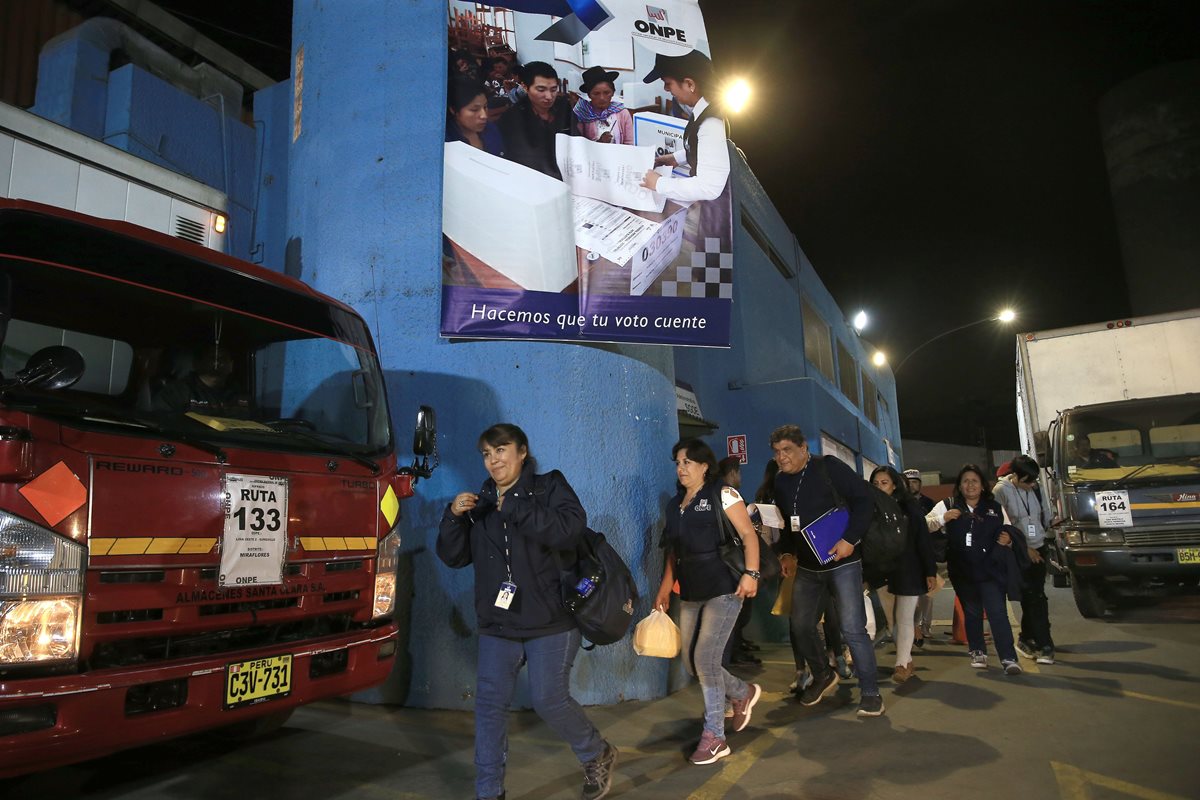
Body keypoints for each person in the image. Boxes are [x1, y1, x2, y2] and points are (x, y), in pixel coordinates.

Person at [437, 424, 617, 800]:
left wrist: (516, 508)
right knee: (489, 708)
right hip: (498, 624)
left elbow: (570, 529)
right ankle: (489, 792)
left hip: (550, 619)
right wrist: (453, 518)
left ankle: (595, 752)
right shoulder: (481, 503)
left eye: (501, 450)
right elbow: (454, 557)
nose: (493, 460)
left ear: (522, 452)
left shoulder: (549, 487)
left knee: (549, 699)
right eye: (486, 454)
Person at [654, 439, 762, 766]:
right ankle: (742, 693)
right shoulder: (675, 506)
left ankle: (715, 736)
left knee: (704, 658)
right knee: (690, 662)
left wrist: (752, 574)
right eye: (677, 462)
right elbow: (673, 550)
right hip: (689, 590)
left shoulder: (723, 493)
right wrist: (663, 588)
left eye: (687, 462)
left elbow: (748, 535)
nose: (680, 468)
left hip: (724, 586)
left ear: (704, 466)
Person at [770, 425, 885, 717]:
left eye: (787, 450)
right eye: (777, 452)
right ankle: (823, 674)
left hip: (842, 561)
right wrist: (786, 552)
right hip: (808, 567)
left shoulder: (828, 467)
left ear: (804, 449)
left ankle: (871, 692)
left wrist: (850, 540)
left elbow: (864, 500)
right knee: (801, 625)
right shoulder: (780, 482)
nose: (781, 457)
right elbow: (787, 523)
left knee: (852, 628)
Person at [927, 464, 1025, 675]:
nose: (970, 485)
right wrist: (943, 518)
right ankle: (977, 650)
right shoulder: (948, 505)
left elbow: (1008, 529)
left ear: (982, 486)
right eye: (965, 481)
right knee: (971, 612)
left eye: (975, 481)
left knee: (997, 612)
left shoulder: (995, 508)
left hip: (991, 570)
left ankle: (1008, 658)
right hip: (962, 571)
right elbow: (925, 525)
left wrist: (1007, 540)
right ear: (960, 486)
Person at [638, 50, 732, 250]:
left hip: (720, 210)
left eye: (668, 82)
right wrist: (675, 158)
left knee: (712, 261)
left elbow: (709, 187)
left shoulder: (712, 123)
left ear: (690, 84)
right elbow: (703, 149)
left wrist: (659, 184)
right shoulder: (702, 110)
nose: (665, 89)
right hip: (711, 207)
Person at [870, 466, 937, 683]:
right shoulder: (869, 509)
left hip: (909, 569)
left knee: (905, 617)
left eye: (884, 482)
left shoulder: (910, 508)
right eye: (876, 483)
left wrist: (930, 571)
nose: (880, 487)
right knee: (892, 619)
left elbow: (923, 541)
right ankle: (906, 660)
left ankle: (901, 663)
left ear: (895, 484)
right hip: (881, 571)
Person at [994, 454, 1056, 665]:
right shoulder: (1001, 491)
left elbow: (1044, 514)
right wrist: (1024, 548)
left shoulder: (1036, 488)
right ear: (1015, 476)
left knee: (1035, 596)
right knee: (1033, 596)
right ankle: (1044, 644)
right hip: (1017, 552)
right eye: (1027, 481)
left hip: (1040, 546)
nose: (1032, 485)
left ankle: (1028, 639)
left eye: (1034, 480)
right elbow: (1000, 525)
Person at [716, 456, 760, 667]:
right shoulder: (726, 495)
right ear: (732, 473)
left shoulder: (724, 495)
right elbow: (746, 533)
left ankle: (733, 652)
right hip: (732, 567)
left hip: (734, 568)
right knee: (733, 618)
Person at [499, 61, 576, 179]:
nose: (549, 96)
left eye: (553, 89)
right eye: (541, 90)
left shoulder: (564, 107)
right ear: (525, 87)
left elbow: (575, 140)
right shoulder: (512, 118)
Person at [154, 343, 249, 416]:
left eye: (223, 358)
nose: (218, 362)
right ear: (196, 363)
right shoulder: (176, 392)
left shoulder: (242, 397)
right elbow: (161, 421)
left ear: (231, 366)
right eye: (212, 357)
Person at [573, 66, 635, 145]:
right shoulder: (583, 114)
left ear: (613, 92)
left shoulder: (622, 113)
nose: (602, 98)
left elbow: (629, 143)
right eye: (596, 94)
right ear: (589, 95)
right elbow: (580, 146)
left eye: (606, 92)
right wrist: (600, 142)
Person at [446, 77, 505, 156]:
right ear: (453, 110)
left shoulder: (491, 129)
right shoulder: (446, 140)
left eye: (485, 107)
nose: (484, 116)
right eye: (474, 109)